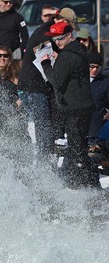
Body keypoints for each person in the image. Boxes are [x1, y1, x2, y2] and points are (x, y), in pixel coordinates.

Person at [41, 21, 99, 189]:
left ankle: (85, 186)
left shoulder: (68, 55)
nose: (57, 42)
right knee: (78, 147)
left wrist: (45, 64)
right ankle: (88, 183)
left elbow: (56, 81)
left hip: (75, 109)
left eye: (60, 38)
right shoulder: (76, 50)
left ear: (69, 35)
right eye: (54, 39)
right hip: (81, 107)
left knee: (77, 150)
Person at [17, 7, 79, 160]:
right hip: (33, 88)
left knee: (49, 127)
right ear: (62, 20)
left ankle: (48, 162)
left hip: (41, 87)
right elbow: (46, 66)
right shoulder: (46, 34)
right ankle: (44, 171)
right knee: (44, 129)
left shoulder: (51, 30)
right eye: (69, 27)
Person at [87, 52, 109, 148]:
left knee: (95, 154)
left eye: (98, 67)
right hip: (81, 123)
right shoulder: (80, 80)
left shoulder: (104, 82)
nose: (95, 70)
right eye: (92, 66)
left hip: (97, 124)